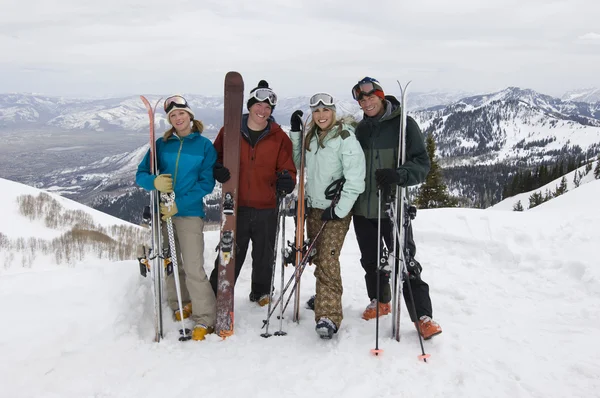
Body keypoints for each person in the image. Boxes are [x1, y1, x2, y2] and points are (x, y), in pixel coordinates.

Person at [350, 77, 442, 340]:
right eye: (362, 99)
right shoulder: (360, 130)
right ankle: (380, 301)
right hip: (363, 208)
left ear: (381, 96)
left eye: (371, 97)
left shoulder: (404, 125)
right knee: (370, 260)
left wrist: (400, 175)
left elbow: (422, 163)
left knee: (405, 261)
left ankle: (422, 316)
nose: (367, 103)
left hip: (392, 205)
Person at [136, 95, 217, 341]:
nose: (178, 118)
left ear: (190, 116)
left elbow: (206, 183)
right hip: (163, 213)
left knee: (193, 267)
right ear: (169, 120)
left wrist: (179, 204)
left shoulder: (204, 146)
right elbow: (141, 175)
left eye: (181, 113)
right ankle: (179, 303)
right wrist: (154, 182)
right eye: (173, 115)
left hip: (189, 213)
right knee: (172, 264)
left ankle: (206, 317)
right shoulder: (161, 144)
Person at [209, 80, 297, 307]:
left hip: (266, 204)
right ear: (249, 105)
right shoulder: (229, 130)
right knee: (230, 250)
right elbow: (214, 157)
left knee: (263, 253)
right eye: (259, 105)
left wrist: (286, 180)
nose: (263, 110)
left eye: (268, 108)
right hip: (235, 204)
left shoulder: (279, 137)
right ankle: (216, 290)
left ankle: (261, 292)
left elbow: (287, 167)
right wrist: (216, 168)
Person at [289, 93, 365, 339]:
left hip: (335, 208)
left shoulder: (345, 137)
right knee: (316, 256)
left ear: (333, 111)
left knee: (328, 258)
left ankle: (329, 315)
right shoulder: (313, 136)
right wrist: (296, 134)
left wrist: (340, 210)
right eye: (317, 111)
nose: (321, 115)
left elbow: (355, 180)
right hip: (314, 207)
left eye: (326, 110)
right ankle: (324, 296)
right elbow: (299, 162)